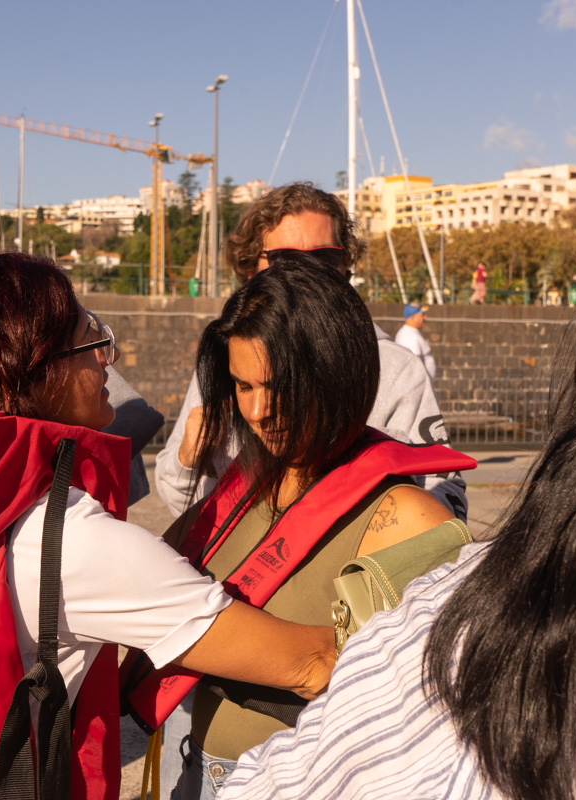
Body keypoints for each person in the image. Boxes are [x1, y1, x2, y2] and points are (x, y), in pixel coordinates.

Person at [217, 139, 576, 799]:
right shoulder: (228, 361)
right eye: (244, 388)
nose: (261, 410)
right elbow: (186, 488)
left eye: (322, 260)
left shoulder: (460, 602)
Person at [0, 254, 336, 800]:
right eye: (91, 339)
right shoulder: (67, 541)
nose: (110, 357)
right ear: (38, 370)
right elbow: (310, 663)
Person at [123, 255, 475, 799]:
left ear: (337, 375)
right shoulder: (244, 486)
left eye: (278, 386)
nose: (259, 411)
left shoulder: (410, 518)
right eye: (242, 387)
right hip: (193, 769)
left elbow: (433, 707)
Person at [155, 182, 466, 521]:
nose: (308, 275)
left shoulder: (394, 368)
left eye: (324, 260)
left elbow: (446, 498)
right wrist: (188, 460)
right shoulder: (228, 359)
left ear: (345, 267)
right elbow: (180, 502)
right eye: (286, 261)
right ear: (249, 271)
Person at [394, 302, 435, 382]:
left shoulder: (410, 332)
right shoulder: (409, 335)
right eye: (422, 315)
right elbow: (415, 365)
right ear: (413, 318)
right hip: (418, 385)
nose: (425, 317)